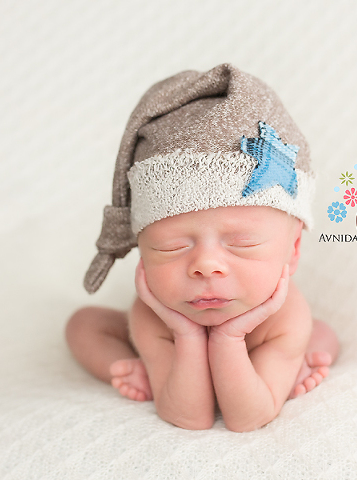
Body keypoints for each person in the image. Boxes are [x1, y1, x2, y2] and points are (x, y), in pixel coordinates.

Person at [66, 63, 340, 432]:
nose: (206, 266)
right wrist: (186, 335)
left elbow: (248, 417)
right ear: (141, 250)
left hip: (264, 339)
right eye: (170, 247)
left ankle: (290, 360)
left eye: (242, 243)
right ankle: (133, 366)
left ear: (291, 251)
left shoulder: (283, 316)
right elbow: (188, 415)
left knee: (320, 334)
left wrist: (230, 337)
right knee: (82, 325)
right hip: (167, 335)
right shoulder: (153, 315)